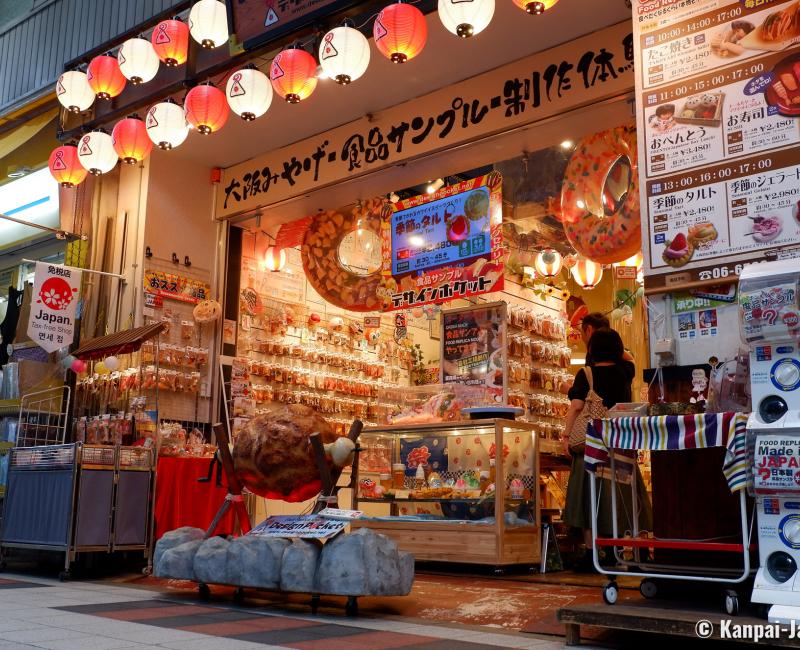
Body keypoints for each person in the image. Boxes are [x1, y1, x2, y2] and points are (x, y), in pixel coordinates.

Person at [562, 327, 652, 571]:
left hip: (591, 445)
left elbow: (576, 407)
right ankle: (619, 550)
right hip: (619, 443)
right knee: (620, 497)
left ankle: (593, 554)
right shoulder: (625, 372)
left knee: (588, 499)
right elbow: (629, 358)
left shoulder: (586, 374)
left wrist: (568, 434)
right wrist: (617, 349)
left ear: (591, 349)